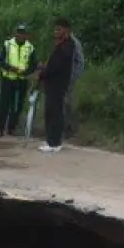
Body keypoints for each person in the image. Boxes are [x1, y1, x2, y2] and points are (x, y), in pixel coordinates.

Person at [38, 18, 75, 153]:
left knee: (54, 112)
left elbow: (56, 67)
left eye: (59, 29)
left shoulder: (67, 45)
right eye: (55, 29)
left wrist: (43, 71)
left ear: (66, 30)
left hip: (57, 83)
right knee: (52, 112)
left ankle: (54, 142)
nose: (56, 32)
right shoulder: (60, 44)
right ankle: (53, 140)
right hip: (52, 83)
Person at [0, 24, 37, 138]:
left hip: (22, 80)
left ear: (26, 35)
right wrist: (10, 68)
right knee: (4, 104)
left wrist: (26, 72)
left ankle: (11, 128)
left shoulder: (30, 48)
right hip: (8, 78)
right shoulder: (8, 44)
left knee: (17, 106)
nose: (20, 35)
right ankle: (0, 129)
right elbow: (0, 60)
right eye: (19, 32)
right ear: (15, 33)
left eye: (23, 33)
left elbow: (34, 65)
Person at [64, 28, 86, 138]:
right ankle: (63, 128)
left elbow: (81, 62)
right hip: (60, 78)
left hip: (69, 78)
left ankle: (70, 129)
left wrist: (74, 77)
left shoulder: (75, 43)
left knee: (67, 102)